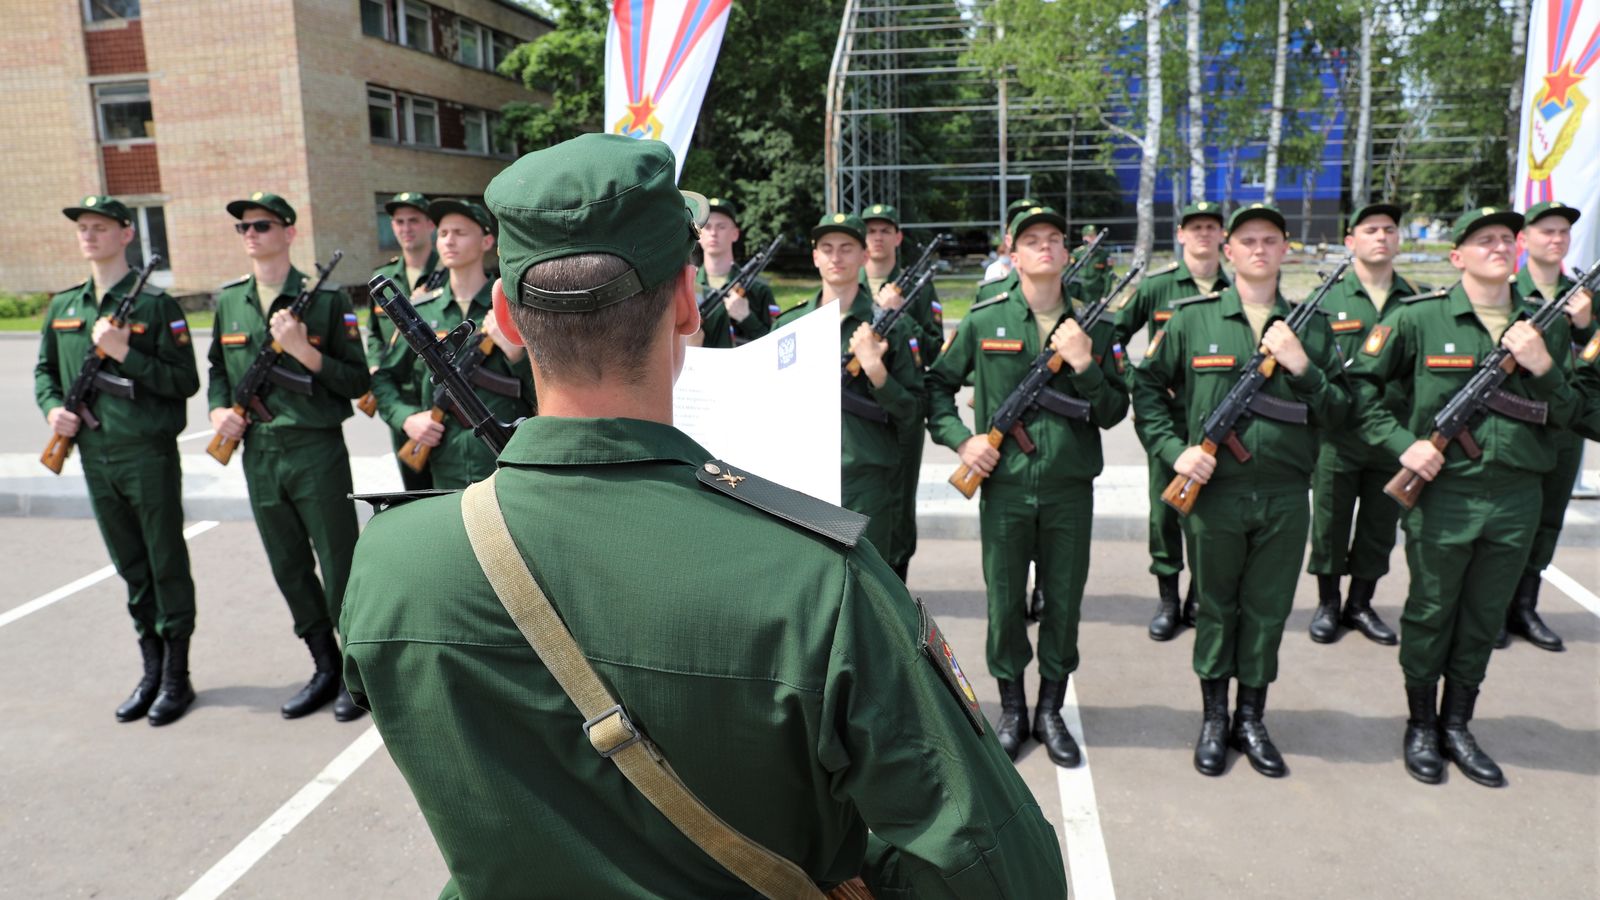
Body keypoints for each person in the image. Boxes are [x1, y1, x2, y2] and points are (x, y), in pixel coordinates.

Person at [340, 133, 1067, 898]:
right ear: (688, 302)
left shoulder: (392, 565)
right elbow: (1009, 875)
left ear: (508, 320)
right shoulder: (817, 583)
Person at [1349, 207, 1581, 787]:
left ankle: (1459, 725)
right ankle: (1422, 725)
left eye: (1507, 238)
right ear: (1458, 257)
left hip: (1517, 496)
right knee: (1431, 611)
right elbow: (1361, 393)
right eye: (1484, 240)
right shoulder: (1419, 318)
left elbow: (1581, 412)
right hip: (1446, 494)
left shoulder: (1546, 323)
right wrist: (1403, 445)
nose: (1499, 246)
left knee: (1482, 617)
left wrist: (1545, 366)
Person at [1131, 203, 1350, 778]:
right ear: (1227, 252)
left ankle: (1251, 718)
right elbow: (1147, 388)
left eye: (1270, 240)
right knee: (1216, 608)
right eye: (1246, 240)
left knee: (1268, 610)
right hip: (1215, 494)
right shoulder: (1191, 319)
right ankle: (1212, 717)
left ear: (1284, 251)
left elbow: (1341, 414)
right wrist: (1173, 450)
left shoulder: (1312, 326)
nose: (1258, 249)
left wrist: (1304, 368)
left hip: (1283, 495)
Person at [927, 205, 1129, 766]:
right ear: (1012, 256)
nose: (1044, 247)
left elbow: (1113, 410)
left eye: (1054, 239)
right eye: (1031, 240)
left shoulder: (1096, 326)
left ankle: (1050, 710)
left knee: (1063, 604)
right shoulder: (986, 317)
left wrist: (1085, 365)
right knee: (1005, 602)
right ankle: (1013, 709)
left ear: (1066, 253)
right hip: (1006, 490)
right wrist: (963, 442)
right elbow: (937, 387)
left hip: (1069, 489)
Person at [35, 195, 201, 726]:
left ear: (126, 234)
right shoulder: (64, 306)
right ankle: (149, 669)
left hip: (147, 455)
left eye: (100, 227)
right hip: (93, 456)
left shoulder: (154, 306)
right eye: (83, 227)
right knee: (131, 566)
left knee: (164, 562)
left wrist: (126, 352)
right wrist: (52, 411)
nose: (89, 235)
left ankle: (177, 676)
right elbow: (44, 373)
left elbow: (184, 382)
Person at [208, 191, 369, 722]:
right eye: (243, 228)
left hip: (315, 448)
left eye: (261, 225)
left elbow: (356, 381)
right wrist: (217, 414)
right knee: (289, 565)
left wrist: (303, 352)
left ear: (289, 233)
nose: (251, 235)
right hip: (259, 451)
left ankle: (355, 673)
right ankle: (322, 665)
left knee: (339, 561)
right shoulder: (230, 300)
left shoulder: (324, 300)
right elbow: (216, 374)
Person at [1305, 204, 1427, 646]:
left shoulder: (1419, 299)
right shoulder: (1326, 301)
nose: (1381, 236)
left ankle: (1360, 603)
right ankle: (1327, 604)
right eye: (1370, 230)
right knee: (1330, 523)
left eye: (1390, 230)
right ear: (1351, 242)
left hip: (1396, 437)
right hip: (1338, 434)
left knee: (1379, 526)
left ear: (1398, 240)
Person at [778, 213, 926, 566]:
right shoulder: (789, 325)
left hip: (868, 482)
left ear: (864, 257)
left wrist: (877, 371)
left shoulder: (893, 328)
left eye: (847, 248)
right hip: (802, 481)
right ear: (814, 257)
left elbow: (913, 412)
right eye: (826, 248)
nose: (836, 257)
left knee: (868, 591)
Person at [1113, 200, 1230, 640]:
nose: (1203, 234)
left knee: (1209, 511)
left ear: (1222, 237)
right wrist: (1137, 379)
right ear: (1180, 235)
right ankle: (1168, 597)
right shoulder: (1158, 287)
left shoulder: (1232, 289)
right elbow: (1113, 337)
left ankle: (1200, 594)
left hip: (1215, 422)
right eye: (1195, 227)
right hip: (1165, 420)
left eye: (1211, 227)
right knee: (1165, 512)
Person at [372, 199, 535, 490]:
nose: (449, 240)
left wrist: (516, 356)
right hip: (444, 462)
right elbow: (384, 379)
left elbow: (550, 388)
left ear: (486, 241)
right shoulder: (420, 310)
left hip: (505, 457)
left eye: (460, 233)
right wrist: (407, 419)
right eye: (444, 233)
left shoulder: (512, 306)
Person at [1499, 200, 1593, 651]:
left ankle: (1524, 605)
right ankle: (1493, 606)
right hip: (1515, 424)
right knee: (1507, 521)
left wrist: (1584, 328)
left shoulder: (1585, 298)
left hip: (1564, 427)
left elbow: (1592, 368)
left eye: (1562, 233)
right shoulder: (1504, 292)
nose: (1556, 240)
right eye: (1546, 232)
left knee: (1548, 520)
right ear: (1524, 241)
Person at [860, 202, 941, 580]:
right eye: (870, 230)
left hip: (904, 407)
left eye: (883, 230)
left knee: (900, 498)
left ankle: (898, 580)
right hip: (857, 413)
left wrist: (899, 313)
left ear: (898, 237)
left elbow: (935, 349)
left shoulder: (919, 288)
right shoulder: (849, 284)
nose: (876, 237)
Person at [368, 191, 440, 491]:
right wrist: (374, 365)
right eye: (399, 221)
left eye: (414, 220)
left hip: (438, 396)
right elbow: (373, 333)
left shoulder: (447, 272)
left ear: (430, 225)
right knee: (414, 490)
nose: (405, 228)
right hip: (400, 399)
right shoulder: (383, 277)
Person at [688, 196, 777, 348]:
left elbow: (778, 345)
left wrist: (747, 318)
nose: (713, 233)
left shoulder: (759, 290)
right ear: (699, 234)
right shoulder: (688, 286)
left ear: (735, 234)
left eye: (721, 226)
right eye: (707, 227)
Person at [1075, 224, 1115, 303]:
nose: (1093, 239)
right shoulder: (1077, 254)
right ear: (1084, 238)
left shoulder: (1104, 254)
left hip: (1097, 294)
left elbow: (1108, 275)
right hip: (1080, 293)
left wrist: (1105, 295)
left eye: (1094, 236)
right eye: (1089, 236)